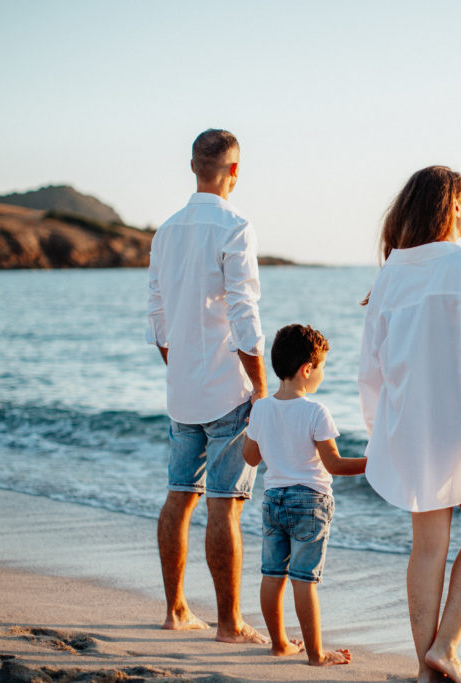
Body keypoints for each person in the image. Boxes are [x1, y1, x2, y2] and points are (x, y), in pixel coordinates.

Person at [358, 166, 461, 683]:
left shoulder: (390, 275)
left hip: (413, 426)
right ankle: (447, 646)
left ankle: (425, 666)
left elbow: (373, 370)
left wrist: (380, 431)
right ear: (453, 205)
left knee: (427, 548)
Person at [145, 128, 269, 644]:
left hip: (184, 390)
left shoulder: (166, 231)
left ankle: (175, 611)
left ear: (194, 167)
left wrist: (178, 365)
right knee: (224, 504)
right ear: (234, 172)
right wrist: (261, 387)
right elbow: (243, 310)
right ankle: (229, 624)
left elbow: (157, 313)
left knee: (179, 496)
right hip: (227, 390)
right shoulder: (235, 226)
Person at [242, 324, 367, 666]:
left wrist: (260, 426)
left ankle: (279, 643)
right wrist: (375, 463)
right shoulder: (315, 411)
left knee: (272, 573)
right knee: (304, 579)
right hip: (309, 503)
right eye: (322, 366)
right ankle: (315, 655)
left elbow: (250, 458)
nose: (322, 374)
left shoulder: (263, 409)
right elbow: (335, 465)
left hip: (273, 501)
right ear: (306, 369)